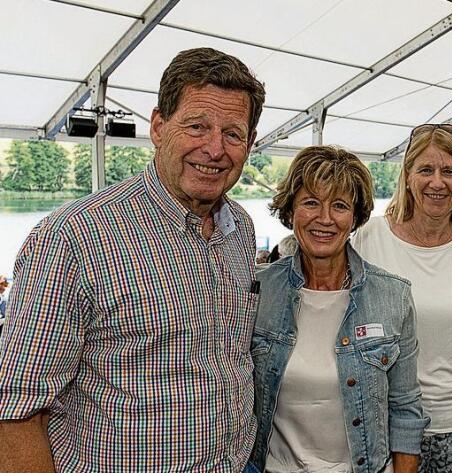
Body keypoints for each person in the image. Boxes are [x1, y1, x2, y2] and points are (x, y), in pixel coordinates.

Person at [0, 48, 265, 471]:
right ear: (159, 127)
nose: (215, 149)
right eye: (196, 126)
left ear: (249, 143)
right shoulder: (73, 238)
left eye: (232, 134)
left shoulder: (240, 228)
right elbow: (17, 410)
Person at [247, 146, 427, 473]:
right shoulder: (258, 292)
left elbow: (406, 409)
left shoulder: (391, 296)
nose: (325, 218)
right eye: (311, 202)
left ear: (355, 218)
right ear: (290, 211)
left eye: (340, 206)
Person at [352, 124, 452, 473]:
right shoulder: (369, 239)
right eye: (425, 169)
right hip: (388, 426)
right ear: (407, 175)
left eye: (449, 171)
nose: (437, 182)